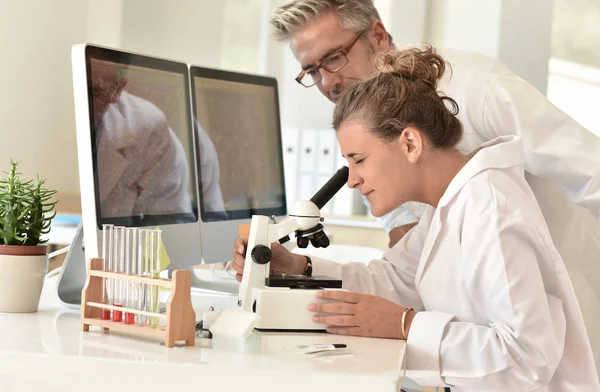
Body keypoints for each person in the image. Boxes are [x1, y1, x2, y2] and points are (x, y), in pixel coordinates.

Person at [239, 0, 600, 374]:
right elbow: (405, 273)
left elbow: (592, 171)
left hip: (570, 306)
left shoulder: (480, 95)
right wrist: (302, 267)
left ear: (377, 36)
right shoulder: (392, 143)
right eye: (312, 71)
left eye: (333, 58)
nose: (328, 82)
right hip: (490, 345)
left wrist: (405, 323)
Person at [91, 68, 194, 221]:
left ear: (118, 89)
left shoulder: (150, 128)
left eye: (94, 92)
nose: (87, 103)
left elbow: (170, 221)